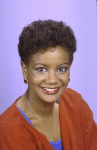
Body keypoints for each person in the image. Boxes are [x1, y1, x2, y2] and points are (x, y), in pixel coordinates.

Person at [0, 20, 97, 150]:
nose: (52, 80)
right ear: (25, 70)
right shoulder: (6, 130)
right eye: (41, 69)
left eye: (61, 69)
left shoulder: (75, 103)